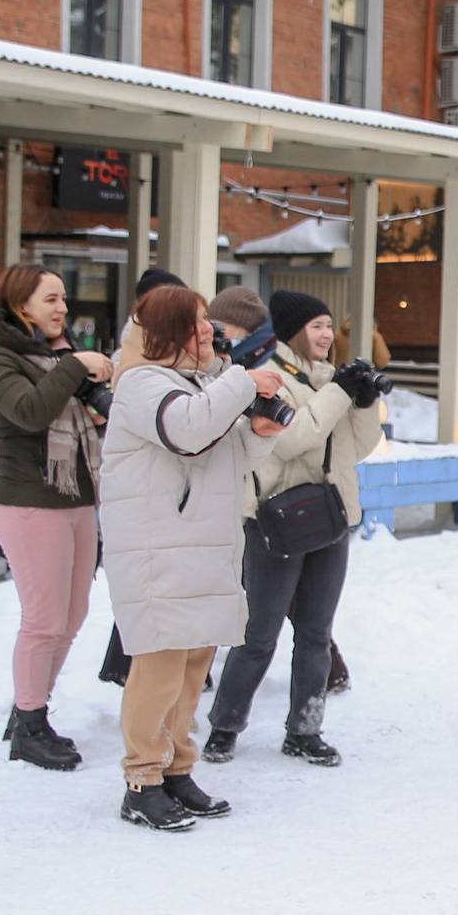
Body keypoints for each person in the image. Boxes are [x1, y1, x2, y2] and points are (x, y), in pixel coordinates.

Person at [96, 284, 285, 831]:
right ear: (168, 333)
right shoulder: (139, 384)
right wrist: (241, 381)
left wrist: (262, 432)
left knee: (192, 667)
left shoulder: (197, 385)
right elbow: (186, 431)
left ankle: (177, 768)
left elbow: (225, 455)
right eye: (198, 322)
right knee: (157, 666)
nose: (210, 331)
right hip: (158, 549)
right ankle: (141, 780)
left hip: (203, 546)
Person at [204, 290, 385, 767]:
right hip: (275, 521)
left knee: (316, 634)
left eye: (330, 325)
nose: (327, 335)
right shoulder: (266, 378)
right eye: (317, 326)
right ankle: (225, 726)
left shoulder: (330, 381)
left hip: (331, 515)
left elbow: (357, 448)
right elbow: (293, 439)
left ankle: (305, 729)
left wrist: (363, 402)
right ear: (292, 332)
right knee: (258, 635)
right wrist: (341, 392)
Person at [0, 263, 114, 770]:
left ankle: (29, 709)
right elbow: (31, 412)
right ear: (21, 305)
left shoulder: (56, 355)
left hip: (77, 500)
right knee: (44, 619)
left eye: (62, 299)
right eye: (50, 299)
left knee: (72, 617)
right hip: (29, 503)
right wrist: (76, 367)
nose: (62, 309)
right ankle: (30, 727)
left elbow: (75, 416)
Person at [98, 267, 192, 690]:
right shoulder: (134, 368)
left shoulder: (175, 360)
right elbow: (186, 429)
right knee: (150, 606)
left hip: (170, 496)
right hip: (145, 497)